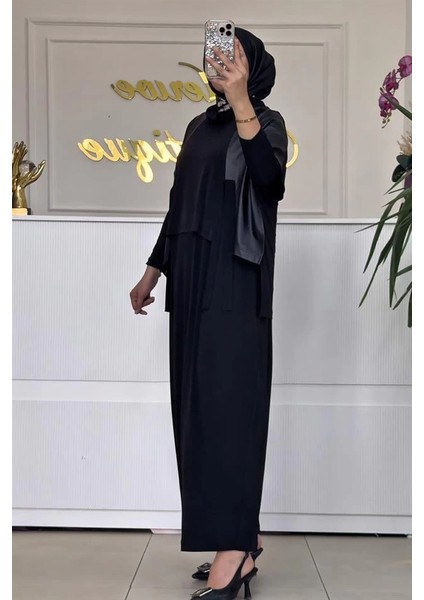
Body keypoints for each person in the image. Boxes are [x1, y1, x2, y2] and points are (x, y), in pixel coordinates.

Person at [129, 26, 288, 600]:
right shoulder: (199, 126)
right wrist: (154, 270)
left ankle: (234, 552)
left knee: (230, 413)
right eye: (215, 56)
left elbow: (269, 181)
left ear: (254, 64)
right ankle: (243, 535)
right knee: (199, 415)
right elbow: (180, 205)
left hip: (236, 282)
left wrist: (242, 99)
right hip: (192, 283)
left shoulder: (266, 122)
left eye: (232, 56)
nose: (220, 64)